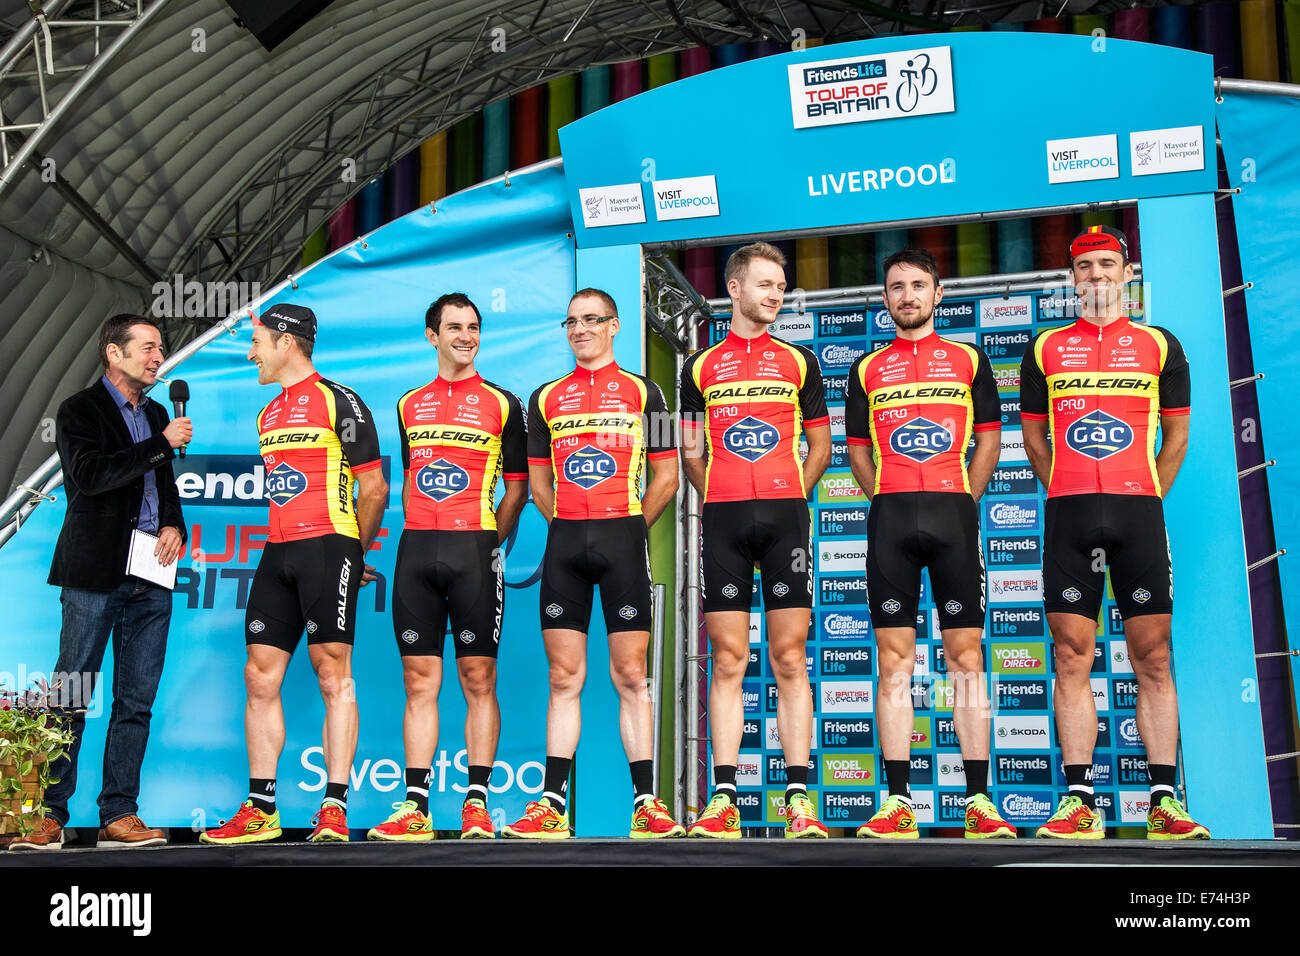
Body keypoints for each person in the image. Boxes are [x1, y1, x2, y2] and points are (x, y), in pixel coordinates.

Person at [1021, 225, 1207, 840]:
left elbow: (1176, 439)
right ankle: (1078, 801)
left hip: (1138, 514)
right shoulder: (1045, 348)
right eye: (1085, 268)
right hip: (1071, 515)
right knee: (1072, 657)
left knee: (1153, 659)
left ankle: (1163, 801)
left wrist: (1144, 495)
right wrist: (1065, 491)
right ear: (1071, 280)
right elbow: (1033, 438)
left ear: (1127, 274)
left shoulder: (1159, 345)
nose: (1097, 276)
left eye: (1108, 265)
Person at [202, 303, 387, 845]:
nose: (251, 352)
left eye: (257, 340)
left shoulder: (339, 399)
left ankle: (333, 807)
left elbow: (374, 488)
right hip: (277, 552)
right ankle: (261, 808)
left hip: (328, 545)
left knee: (333, 674)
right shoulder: (268, 414)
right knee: (259, 676)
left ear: (286, 341)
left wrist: (352, 550)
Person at [502, 288, 682, 840]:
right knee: (564, 676)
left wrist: (629, 528)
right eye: (571, 322)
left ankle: (648, 804)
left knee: (630, 674)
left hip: (624, 540)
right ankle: (551, 804)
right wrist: (568, 523)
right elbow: (536, 483)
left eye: (591, 320)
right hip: (566, 544)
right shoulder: (544, 396)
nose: (580, 329)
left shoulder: (648, 392)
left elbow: (669, 476)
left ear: (615, 325)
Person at [844, 248, 1011, 839]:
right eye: (896, 287)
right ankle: (897, 802)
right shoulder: (865, 369)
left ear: (938, 295)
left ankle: (979, 801)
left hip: (954, 517)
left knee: (965, 658)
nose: (907, 295)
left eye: (918, 285)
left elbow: (989, 441)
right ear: (885, 299)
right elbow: (858, 452)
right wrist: (885, 498)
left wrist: (965, 498)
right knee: (894, 663)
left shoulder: (969, 359)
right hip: (891, 520)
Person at [13, 315, 190, 851]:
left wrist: (174, 526)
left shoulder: (158, 412)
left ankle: (119, 815)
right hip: (94, 572)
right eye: (148, 348)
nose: (158, 357)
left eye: (160, 349)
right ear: (114, 353)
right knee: (72, 692)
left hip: (151, 575)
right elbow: (91, 478)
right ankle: (47, 815)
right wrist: (161, 443)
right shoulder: (79, 410)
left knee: (135, 699)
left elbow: (164, 487)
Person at [679, 242, 831, 839]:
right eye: (765, 284)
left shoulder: (800, 362)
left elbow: (820, 447)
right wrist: (719, 491)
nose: (775, 295)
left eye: (781, 286)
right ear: (734, 289)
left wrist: (792, 491)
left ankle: (799, 800)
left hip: (785, 519)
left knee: (790, 657)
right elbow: (691, 451)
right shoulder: (699, 366)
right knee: (728, 660)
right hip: (723, 519)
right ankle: (723, 798)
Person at [366, 293, 527, 842]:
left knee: (478, 678)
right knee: (419, 680)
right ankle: (414, 805)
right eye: (454, 327)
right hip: (416, 552)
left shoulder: (504, 402)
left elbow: (518, 489)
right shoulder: (409, 403)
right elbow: (412, 477)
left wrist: (489, 543)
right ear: (431, 336)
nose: (466, 336)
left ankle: (477, 804)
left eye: (474, 327)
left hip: (474, 551)